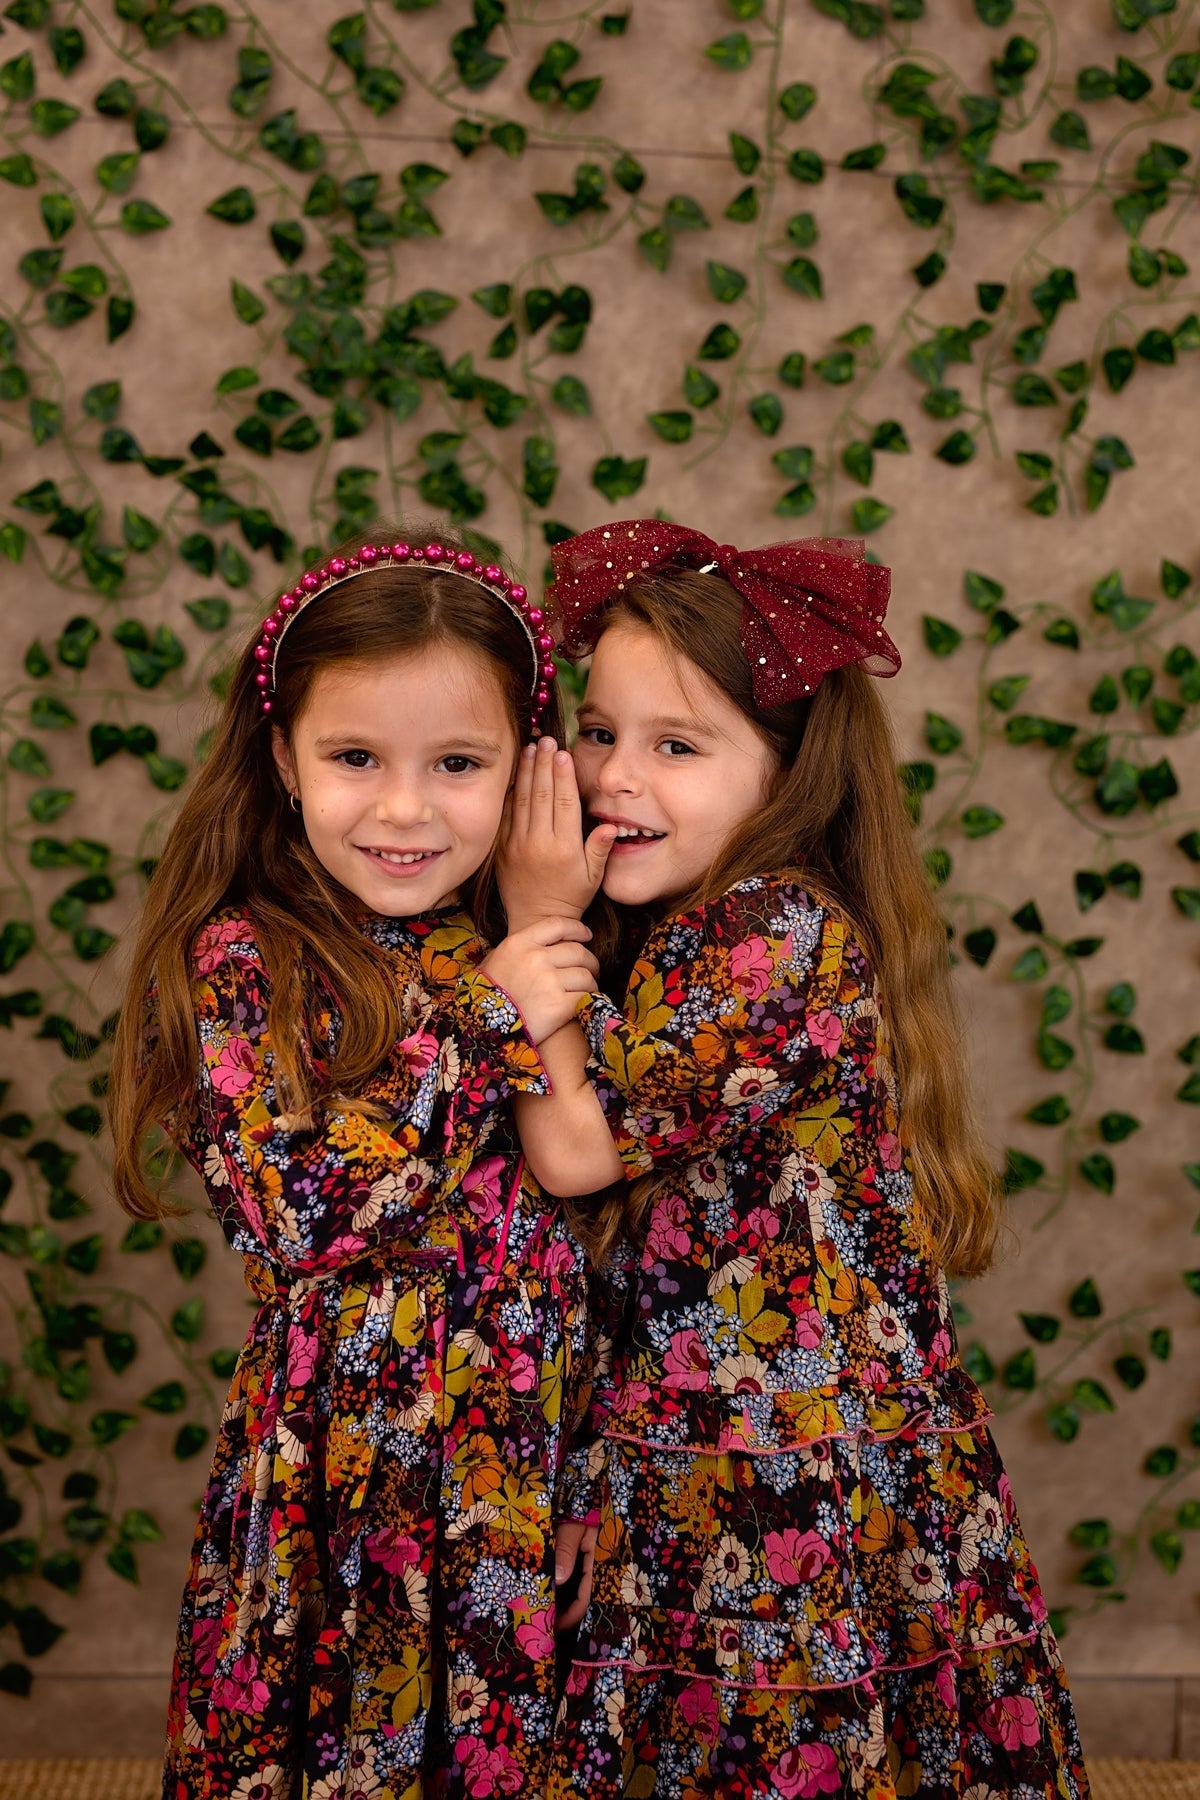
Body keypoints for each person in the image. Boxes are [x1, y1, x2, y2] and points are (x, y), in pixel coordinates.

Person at [494, 521, 1090, 1799]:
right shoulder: (670, 924)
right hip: (686, 1435)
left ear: (787, 773)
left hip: (786, 1465)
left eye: (677, 746)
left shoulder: (776, 933)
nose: (615, 777)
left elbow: (578, 1153)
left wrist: (535, 923)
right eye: (597, 732)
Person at [109, 528, 602, 1800]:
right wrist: (490, 1018)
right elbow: (299, 1208)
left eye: (458, 763)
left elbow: (605, 1228)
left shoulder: (531, 939)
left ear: (526, 768)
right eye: (354, 757)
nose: (404, 809)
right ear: (283, 757)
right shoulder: (247, 959)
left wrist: (596, 1466)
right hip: (341, 1475)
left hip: (520, 1466)